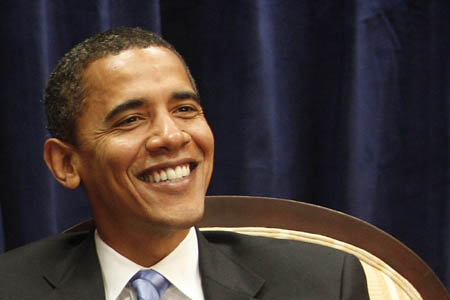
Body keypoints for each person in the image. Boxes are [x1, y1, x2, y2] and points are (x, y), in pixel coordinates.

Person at [0, 27, 369, 299]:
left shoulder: (322, 283)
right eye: (131, 119)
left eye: (185, 110)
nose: (172, 136)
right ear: (65, 163)